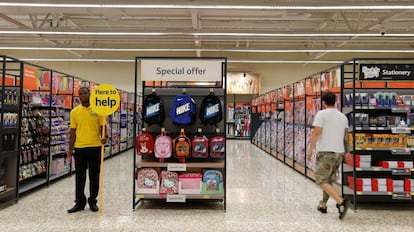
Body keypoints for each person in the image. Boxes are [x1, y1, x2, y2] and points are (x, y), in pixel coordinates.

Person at [307, 91, 350, 220]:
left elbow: (316, 133)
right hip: (339, 153)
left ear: (324, 102)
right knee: (328, 179)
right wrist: (346, 152)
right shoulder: (343, 116)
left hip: (326, 152)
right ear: (335, 101)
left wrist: (310, 150)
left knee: (320, 178)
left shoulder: (321, 114)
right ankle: (323, 204)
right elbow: (346, 137)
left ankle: (340, 201)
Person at [67, 87, 106, 213]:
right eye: (80, 94)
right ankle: (79, 202)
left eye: (85, 93)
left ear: (90, 94)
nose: (82, 95)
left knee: (94, 176)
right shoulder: (74, 112)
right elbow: (72, 132)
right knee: (80, 176)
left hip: (95, 147)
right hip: (79, 148)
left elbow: (103, 127)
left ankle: (92, 201)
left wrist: (104, 138)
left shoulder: (98, 110)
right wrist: (70, 149)